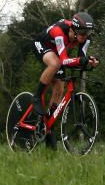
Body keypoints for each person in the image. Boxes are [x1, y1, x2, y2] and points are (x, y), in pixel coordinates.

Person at [32, 12, 99, 146]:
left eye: (87, 33)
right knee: (55, 63)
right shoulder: (59, 31)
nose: (85, 36)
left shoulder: (85, 38)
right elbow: (64, 60)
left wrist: (89, 62)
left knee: (59, 87)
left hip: (57, 52)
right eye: (82, 33)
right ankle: (37, 96)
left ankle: (48, 126)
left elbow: (80, 59)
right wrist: (82, 60)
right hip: (42, 44)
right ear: (73, 30)